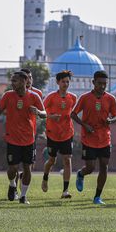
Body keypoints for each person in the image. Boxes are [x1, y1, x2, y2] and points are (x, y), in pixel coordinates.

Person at [0, 71, 46, 205]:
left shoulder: (34, 96)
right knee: (13, 168)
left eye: (15, 81)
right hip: (12, 138)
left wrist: (39, 112)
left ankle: (23, 196)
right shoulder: (8, 95)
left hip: (29, 138)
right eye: (12, 81)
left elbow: (44, 113)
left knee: (27, 168)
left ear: (24, 81)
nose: (12, 83)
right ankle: (12, 185)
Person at [71, 70, 116, 206]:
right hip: (89, 138)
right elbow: (73, 114)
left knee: (104, 166)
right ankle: (81, 174)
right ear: (93, 83)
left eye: (105, 84)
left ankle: (97, 197)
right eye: (99, 83)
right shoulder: (85, 98)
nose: (102, 86)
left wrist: (111, 120)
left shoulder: (111, 98)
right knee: (90, 167)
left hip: (104, 138)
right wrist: (84, 125)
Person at [41, 70, 77, 199]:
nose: (65, 84)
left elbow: (72, 113)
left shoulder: (73, 98)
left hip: (67, 133)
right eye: (63, 81)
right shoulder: (51, 97)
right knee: (52, 160)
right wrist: (51, 116)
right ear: (57, 82)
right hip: (52, 134)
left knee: (67, 160)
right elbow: (41, 113)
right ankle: (45, 177)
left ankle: (65, 191)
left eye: (67, 81)